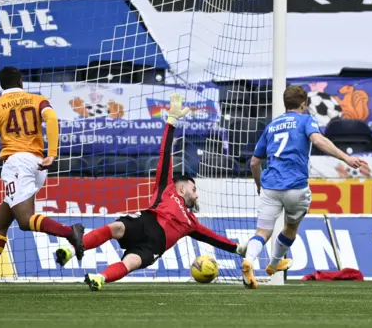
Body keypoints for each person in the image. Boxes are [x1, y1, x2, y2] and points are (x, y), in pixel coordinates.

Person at [56, 93, 279, 291]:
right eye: (194, 189)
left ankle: (100, 278)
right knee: (116, 226)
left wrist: (239, 248)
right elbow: (165, 154)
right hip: (144, 222)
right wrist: (171, 121)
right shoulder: (166, 189)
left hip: (154, 246)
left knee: (132, 262)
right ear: (182, 188)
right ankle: (72, 248)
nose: (197, 194)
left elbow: (214, 238)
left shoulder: (191, 223)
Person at [0, 66, 85, 293]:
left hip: (16, 163)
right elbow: (52, 118)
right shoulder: (37, 99)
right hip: (37, 164)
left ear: (1, 85)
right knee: (1, 223)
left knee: (25, 222)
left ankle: (70, 232)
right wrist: (52, 153)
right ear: (21, 81)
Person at [242, 85, 367, 289]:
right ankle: (273, 264)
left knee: (262, 232)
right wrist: (345, 157)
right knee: (291, 227)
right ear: (304, 104)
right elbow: (318, 140)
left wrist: (259, 185)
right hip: (295, 187)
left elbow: (254, 163)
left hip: (270, 187)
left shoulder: (272, 126)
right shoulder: (306, 120)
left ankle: (249, 260)